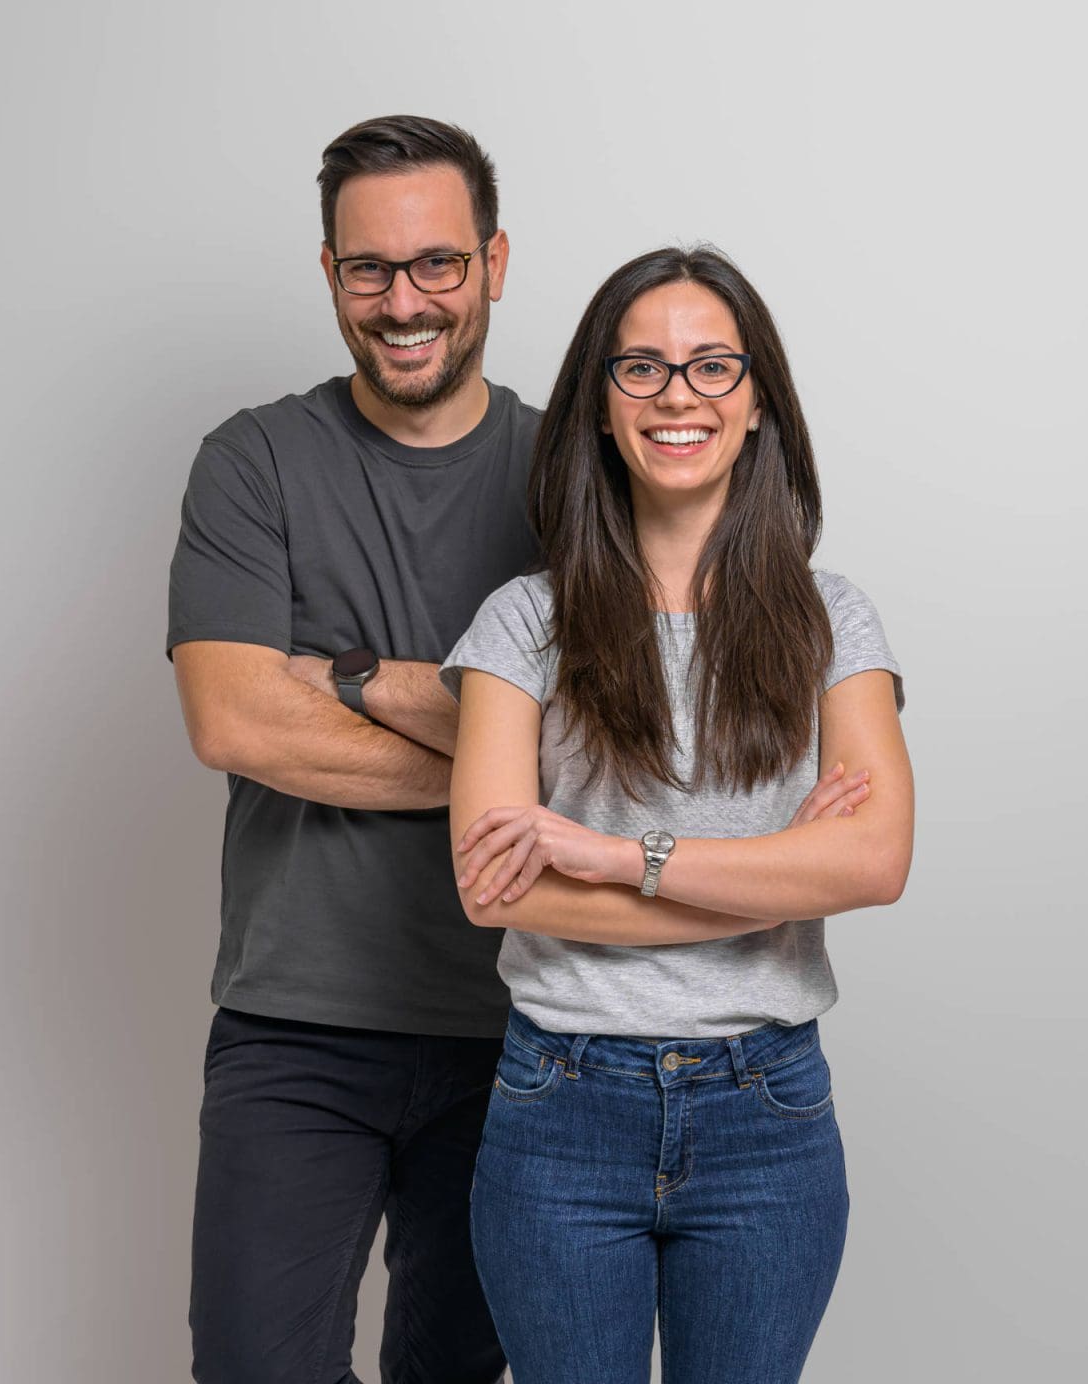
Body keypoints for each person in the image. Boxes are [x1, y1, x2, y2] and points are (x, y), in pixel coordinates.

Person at [438, 245, 913, 1383]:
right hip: (559, 1106)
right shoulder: (520, 625)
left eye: (710, 367)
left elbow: (877, 859)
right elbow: (490, 886)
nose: (677, 396)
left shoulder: (830, 621)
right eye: (640, 369)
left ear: (756, 405)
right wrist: (780, 867)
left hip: (768, 1112)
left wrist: (605, 856)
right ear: (600, 408)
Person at [165, 115, 532, 1384]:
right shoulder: (254, 460)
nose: (404, 302)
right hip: (293, 1026)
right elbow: (235, 719)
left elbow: (606, 738)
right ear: (330, 275)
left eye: (436, 264)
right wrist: (501, 762)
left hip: (523, 1028)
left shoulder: (570, 478)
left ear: (494, 263)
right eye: (368, 269)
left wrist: (347, 678)